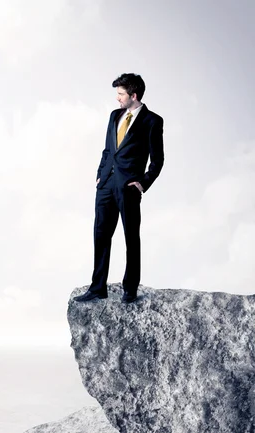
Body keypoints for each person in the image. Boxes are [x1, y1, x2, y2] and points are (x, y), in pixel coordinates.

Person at [75, 73, 164, 304]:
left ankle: (130, 288)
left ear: (133, 95)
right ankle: (97, 287)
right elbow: (107, 150)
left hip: (128, 188)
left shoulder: (152, 121)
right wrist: (99, 174)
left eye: (121, 94)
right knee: (100, 235)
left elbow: (157, 160)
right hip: (106, 186)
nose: (117, 98)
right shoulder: (114, 116)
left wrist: (143, 183)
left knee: (131, 238)